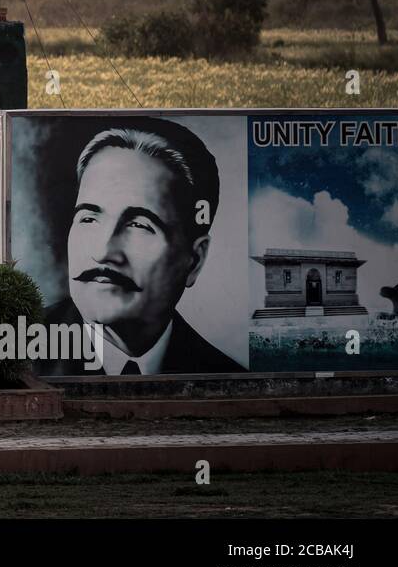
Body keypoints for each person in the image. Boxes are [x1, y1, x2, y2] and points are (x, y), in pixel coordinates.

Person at [36, 118, 243, 375]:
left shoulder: (221, 376)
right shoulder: (18, 362)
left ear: (194, 260)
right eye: (88, 218)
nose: (102, 252)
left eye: (140, 225)